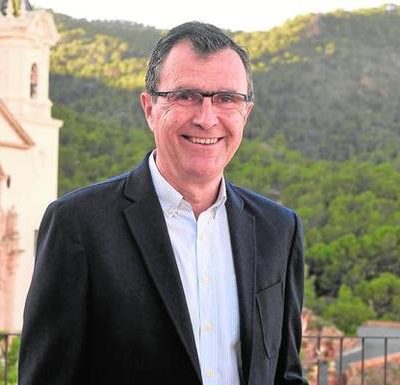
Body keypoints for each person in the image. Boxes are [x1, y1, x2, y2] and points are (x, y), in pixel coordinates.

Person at [19, 22, 307, 385]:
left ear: (245, 113)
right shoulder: (77, 225)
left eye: (226, 99)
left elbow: (285, 373)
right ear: (149, 108)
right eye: (185, 95)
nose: (206, 118)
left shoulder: (279, 229)